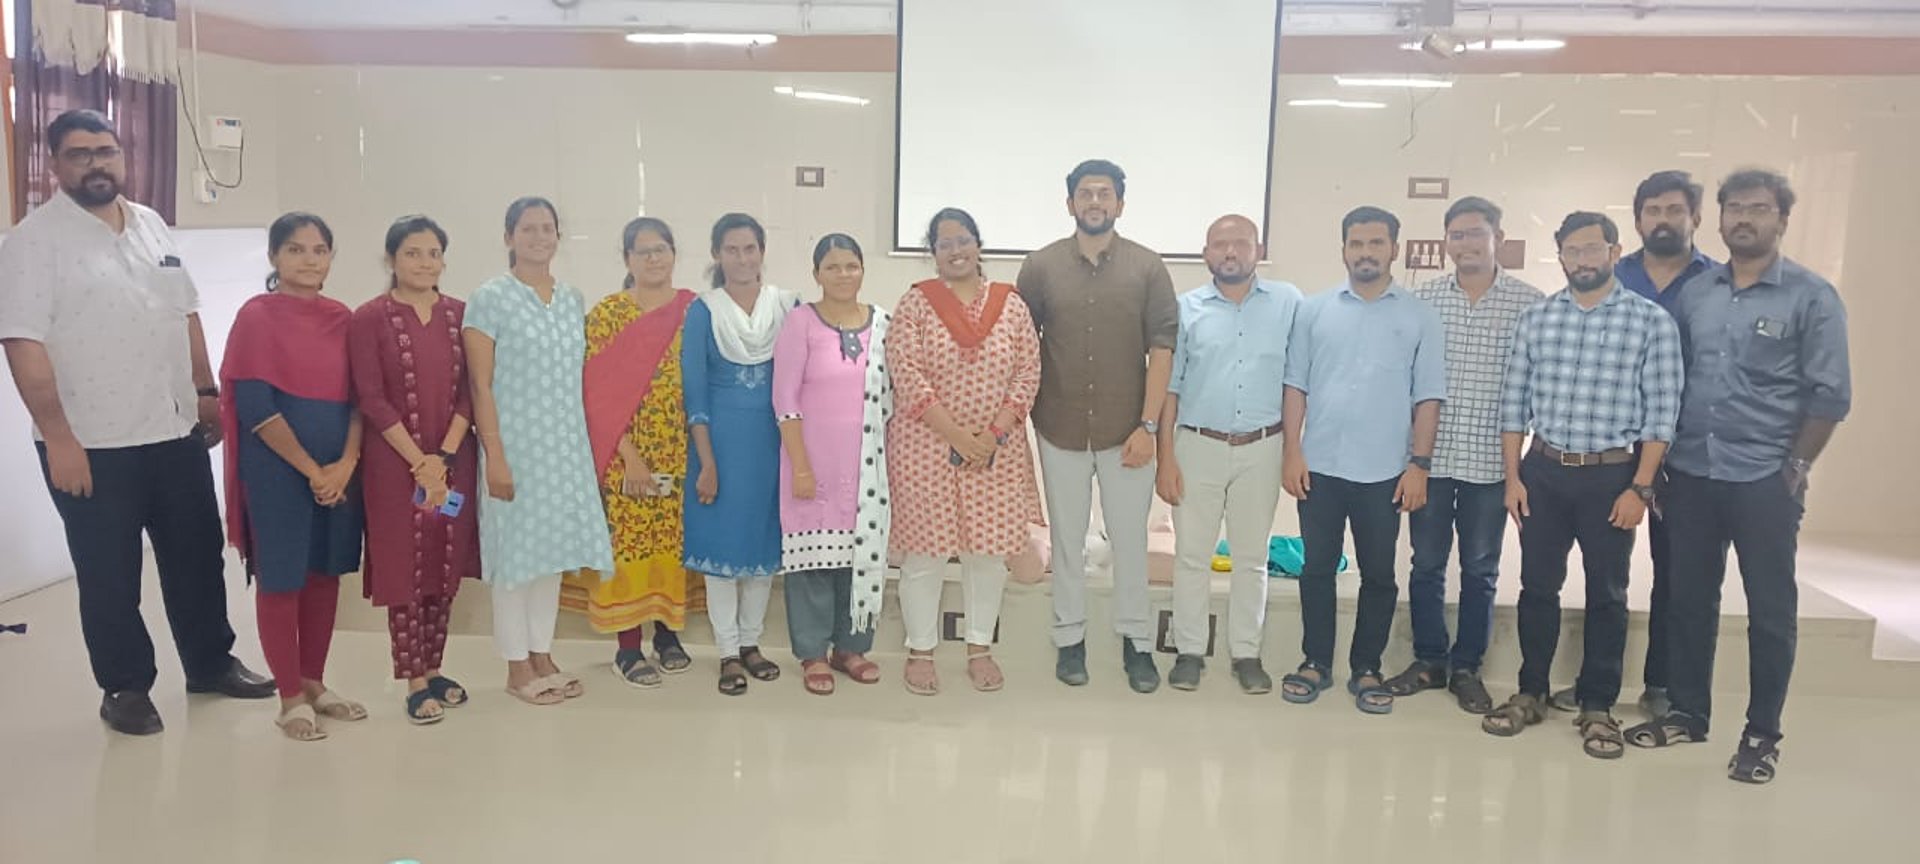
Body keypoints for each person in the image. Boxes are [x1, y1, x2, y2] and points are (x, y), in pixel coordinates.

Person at [0, 109, 273, 736]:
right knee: (110, 573)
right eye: (79, 154)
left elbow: (187, 312)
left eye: (106, 150)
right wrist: (59, 438)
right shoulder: (33, 243)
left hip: (173, 429)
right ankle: (124, 687)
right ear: (54, 164)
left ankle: (210, 663)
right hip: (92, 443)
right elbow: (22, 343)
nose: (96, 163)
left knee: (196, 556)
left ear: (123, 156)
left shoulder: (150, 223)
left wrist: (206, 393)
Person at [1626, 170, 1851, 785]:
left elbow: (1831, 395)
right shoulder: (1698, 293)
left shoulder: (1811, 296)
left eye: (1759, 208)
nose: (1745, 218)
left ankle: (1761, 734)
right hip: (1691, 473)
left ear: (1782, 219)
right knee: (1689, 600)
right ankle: (1687, 713)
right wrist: (1660, 465)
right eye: (1736, 208)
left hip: (1763, 479)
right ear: (1719, 219)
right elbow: (1673, 381)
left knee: (1770, 610)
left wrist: (1796, 466)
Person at [1482, 211, 1682, 761]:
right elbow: (1513, 406)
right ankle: (1530, 693)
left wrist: (1640, 489)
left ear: (1615, 253)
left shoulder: (1651, 322)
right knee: (1537, 588)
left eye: (1594, 249)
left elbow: (1662, 416)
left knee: (1608, 594)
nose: (1583, 260)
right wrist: (1513, 478)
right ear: (1562, 257)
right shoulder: (1538, 319)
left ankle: (1598, 705)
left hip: (1612, 477)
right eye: (1573, 250)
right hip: (1543, 472)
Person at [1550, 170, 1717, 717]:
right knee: (1605, 575)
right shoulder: (1608, 275)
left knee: (1677, 572)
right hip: (1614, 452)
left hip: (1688, 451)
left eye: (1675, 210)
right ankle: (1594, 685)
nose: (1663, 219)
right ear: (1638, 221)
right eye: (1653, 211)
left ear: (1696, 217)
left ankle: (1664, 684)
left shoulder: (1716, 284)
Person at [1016, 159, 1179, 693]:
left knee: (1129, 540)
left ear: (1120, 204)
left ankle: (1137, 643)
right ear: (1069, 203)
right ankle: (1070, 640)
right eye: (1085, 193)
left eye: (1104, 193)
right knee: (1067, 540)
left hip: (1127, 430)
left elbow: (1162, 350)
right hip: (1059, 424)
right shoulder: (1040, 267)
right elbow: (1022, 345)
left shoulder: (1148, 267)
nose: (1094, 202)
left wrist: (1148, 426)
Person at [1279, 206, 1445, 715]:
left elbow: (1428, 397)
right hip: (1321, 466)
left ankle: (1367, 667)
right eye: (1357, 243)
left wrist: (1419, 465)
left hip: (1385, 472)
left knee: (1378, 574)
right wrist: (1292, 451)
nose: (1366, 252)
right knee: (1316, 569)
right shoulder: (1313, 310)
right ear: (1344, 250)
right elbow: (1295, 384)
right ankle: (1315, 661)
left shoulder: (1419, 316)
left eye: (1376, 243)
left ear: (1394, 249)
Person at [1389, 197, 1542, 714]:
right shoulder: (1423, 300)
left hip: (1491, 464)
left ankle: (1467, 668)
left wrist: (1519, 469)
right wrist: (1413, 460)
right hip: (1430, 459)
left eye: (1476, 233)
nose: (1466, 243)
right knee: (1426, 564)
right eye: (1456, 235)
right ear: (1446, 242)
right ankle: (1430, 659)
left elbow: (1532, 387)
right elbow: (1408, 382)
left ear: (1498, 237)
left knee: (1480, 569)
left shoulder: (1529, 304)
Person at [219, 212, 366, 741]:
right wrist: (312, 471)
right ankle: (289, 697)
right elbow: (256, 408)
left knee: (325, 573)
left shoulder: (344, 318)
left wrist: (345, 464)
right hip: (278, 471)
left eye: (319, 250)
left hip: (339, 471)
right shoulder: (257, 318)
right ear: (274, 257)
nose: (309, 260)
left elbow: (362, 400)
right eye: (296, 249)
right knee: (283, 577)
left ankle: (314, 682)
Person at [463, 197, 613, 706]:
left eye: (547, 228)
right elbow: (480, 386)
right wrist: (495, 455)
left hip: (565, 450)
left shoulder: (571, 299)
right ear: (509, 237)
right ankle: (516, 666)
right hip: (516, 448)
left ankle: (542, 653)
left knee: (551, 558)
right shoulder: (490, 298)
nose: (539, 237)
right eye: (527, 229)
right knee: (516, 560)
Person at [889, 208, 1043, 695]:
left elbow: (1028, 372)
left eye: (963, 240)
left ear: (979, 245)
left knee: (987, 555)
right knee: (925, 554)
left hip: (997, 450)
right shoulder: (915, 305)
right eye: (944, 243)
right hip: (926, 446)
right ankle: (920, 650)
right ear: (932, 253)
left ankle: (979, 648)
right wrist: (957, 435)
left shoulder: (1011, 305)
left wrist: (992, 435)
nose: (955, 250)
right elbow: (906, 374)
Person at [1155, 215, 1300, 695]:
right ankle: (1190, 652)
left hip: (1263, 445)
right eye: (1221, 244)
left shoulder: (1288, 303)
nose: (1231, 252)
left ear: (1259, 250)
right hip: (1197, 445)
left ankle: (1246, 654)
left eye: (1241, 243)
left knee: (1252, 557)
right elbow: (1171, 388)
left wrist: (1293, 451)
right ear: (1206, 254)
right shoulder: (1186, 309)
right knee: (1191, 556)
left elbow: (1296, 381)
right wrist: (1165, 458)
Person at [349, 215, 480, 725]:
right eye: (412, 253)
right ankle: (413, 680)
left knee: (443, 563)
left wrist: (442, 458)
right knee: (403, 566)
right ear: (391, 259)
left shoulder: (460, 315)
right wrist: (418, 462)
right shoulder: (369, 318)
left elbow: (470, 392)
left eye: (433, 253)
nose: (425, 263)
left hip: (452, 462)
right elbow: (371, 397)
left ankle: (436, 668)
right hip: (392, 464)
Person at [564, 217, 701, 688]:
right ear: (627, 259)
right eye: (643, 251)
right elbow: (592, 393)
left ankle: (667, 635)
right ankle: (627, 648)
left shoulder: (694, 311)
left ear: (674, 254)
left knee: (673, 545)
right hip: (624, 453)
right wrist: (631, 456)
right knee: (627, 546)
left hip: (681, 452)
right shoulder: (608, 314)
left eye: (661, 249)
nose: (654, 258)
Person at [682, 213, 798, 695]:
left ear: (762, 251)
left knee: (761, 547)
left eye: (750, 248)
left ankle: (752, 644)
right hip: (720, 449)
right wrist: (707, 462)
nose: (742, 258)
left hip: (773, 445)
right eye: (731, 249)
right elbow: (695, 393)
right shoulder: (703, 311)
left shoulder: (787, 306)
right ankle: (727, 651)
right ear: (716, 255)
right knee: (723, 550)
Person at [772, 234, 890, 696]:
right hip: (811, 463)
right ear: (816, 274)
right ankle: (813, 653)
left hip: (867, 467)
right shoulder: (801, 322)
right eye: (833, 267)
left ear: (863, 269)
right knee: (813, 564)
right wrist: (801, 466)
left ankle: (851, 648)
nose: (843, 274)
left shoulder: (883, 323)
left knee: (860, 557)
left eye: (851, 265)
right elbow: (784, 398)